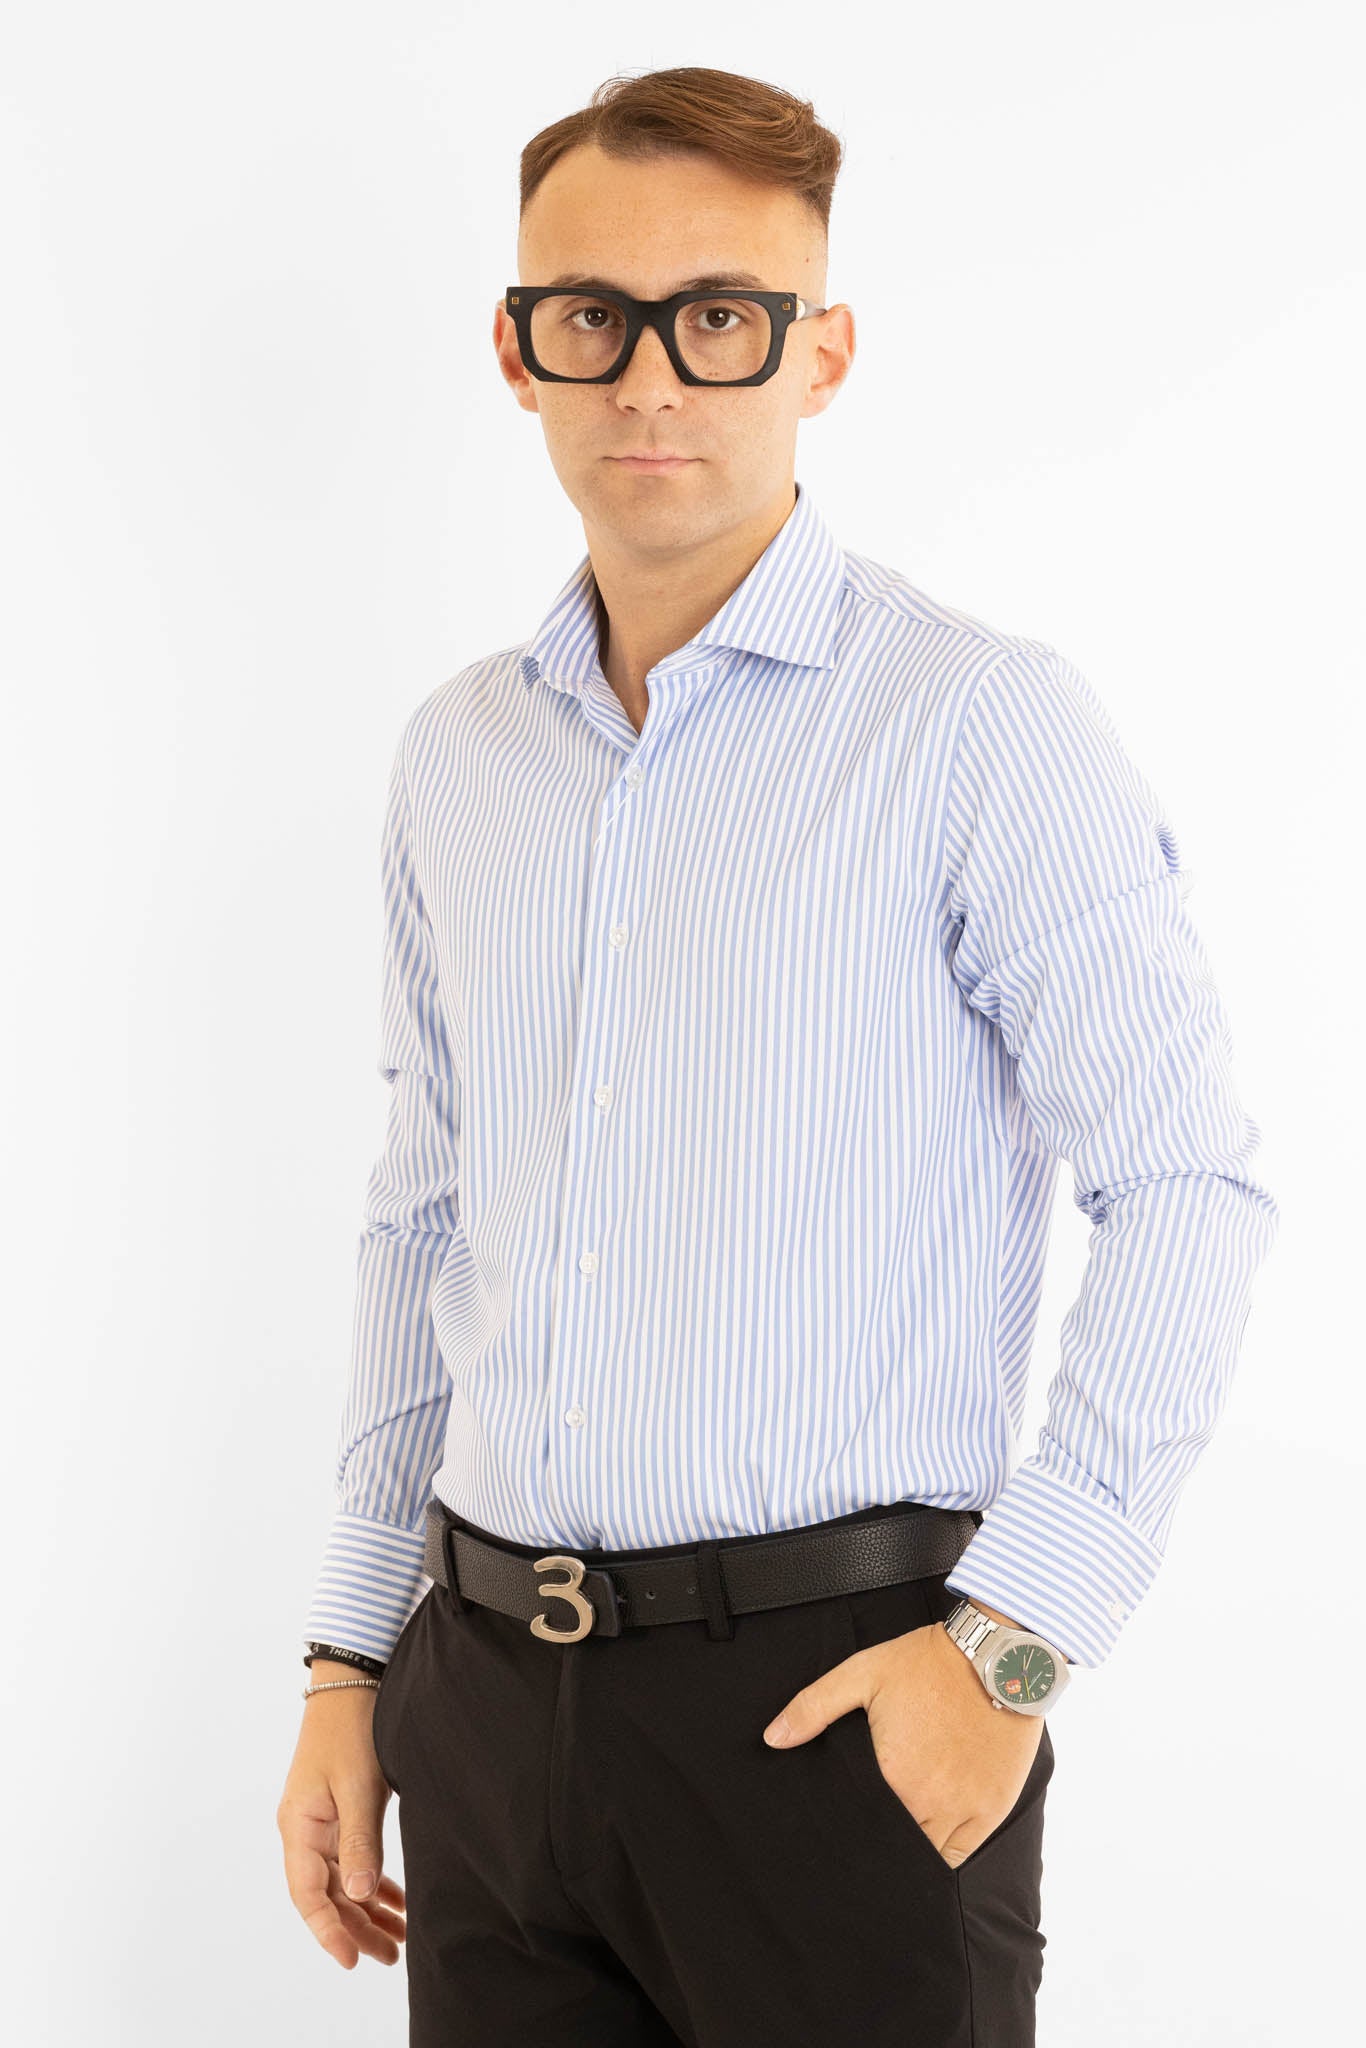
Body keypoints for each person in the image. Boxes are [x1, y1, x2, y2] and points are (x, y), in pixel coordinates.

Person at [276, 64, 1279, 2047]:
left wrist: (1012, 1642)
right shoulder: (457, 757)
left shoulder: (974, 724)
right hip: (481, 1694)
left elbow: (1186, 1187)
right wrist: (345, 1660)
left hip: (837, 1707)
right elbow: (424, 1220)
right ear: (517, 350)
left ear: (819, 354)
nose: (652, 378)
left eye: (718, 318)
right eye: (594, 316)